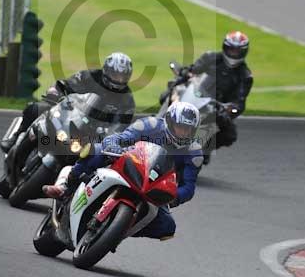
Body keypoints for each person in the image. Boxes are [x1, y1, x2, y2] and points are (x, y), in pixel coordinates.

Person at [43, 101, 203, 242]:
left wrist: (173, 198)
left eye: (187, 130)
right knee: (94, 151)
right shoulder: (149, 125)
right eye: (180, 127)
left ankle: (118, 231)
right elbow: (119, 137)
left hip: (155, 188)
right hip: (130, 165)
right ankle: (66, 187)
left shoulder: (194, 153)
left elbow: (188, 187)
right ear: (169, 121)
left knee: (167, 227)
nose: (183, 132)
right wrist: (114, 146)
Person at [0, 52, 135, 153]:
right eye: (115, 75)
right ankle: (16, 138)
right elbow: (67, 84)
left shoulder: (127, 99)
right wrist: (55, 92)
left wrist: (110, 133)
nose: (118, 79)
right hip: (72, 114)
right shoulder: (91, 76)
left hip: (94, 132)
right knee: (36, 109)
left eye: (122, 76)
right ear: (106, 70)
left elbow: (121, 126)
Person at [172, 31, 253, 162]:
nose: (233, 53)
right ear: (225, 47)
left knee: (229, 133)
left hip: (216, 108)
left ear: (244, 52)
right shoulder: (211, 57)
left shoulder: (245, 76)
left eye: (237, 51)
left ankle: (203, 149)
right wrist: (186, 73)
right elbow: (194, 69)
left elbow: (240, 101)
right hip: (196, 95)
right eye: (231, 49)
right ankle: (156, 123)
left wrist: (231, 108)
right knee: (171, 90)